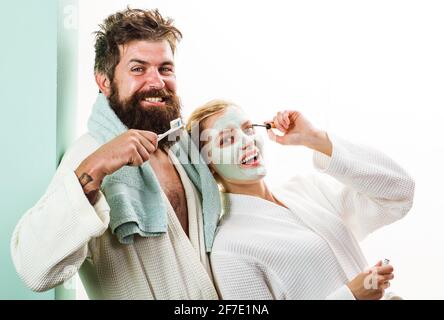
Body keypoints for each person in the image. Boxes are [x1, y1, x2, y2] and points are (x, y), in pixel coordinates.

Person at [10, 8, 220, 300]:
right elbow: (32, 267)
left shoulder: (185, 151)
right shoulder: (91, 154)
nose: (157, 82)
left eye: (165, 68)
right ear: (104, 81)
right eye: (138, 69)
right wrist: (96, 166)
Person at [186, 100, 415, 299]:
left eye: (248, 129)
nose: (247, 141)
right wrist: (351, 296)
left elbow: (399, 193)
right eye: (226, 140)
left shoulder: (306, 189)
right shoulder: (229, 248)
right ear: (209, 167)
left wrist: (315, 138)